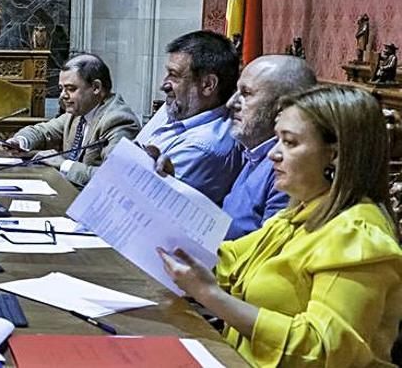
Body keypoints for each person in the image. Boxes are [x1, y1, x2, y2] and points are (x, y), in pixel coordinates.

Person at [159, 86, 402, 367]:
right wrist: (166, 193)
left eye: (289, 142)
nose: (273, 154)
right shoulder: (299, 213)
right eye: (277, 140)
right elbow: (224, 260)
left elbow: (325, 350)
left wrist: (210, 296)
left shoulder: (356, 234)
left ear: (334, 155)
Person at [134, 30, 243, 204]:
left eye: (174, 75)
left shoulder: (204, 145)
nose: (164, 84)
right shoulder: (179, 106)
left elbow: (138, 200)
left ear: (207, 85)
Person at [219, 55, 317, 239]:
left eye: (246, 93)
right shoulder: (254, 150)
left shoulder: (288, 167)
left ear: (283, 106)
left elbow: (265, 255)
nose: (231, 103)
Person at [6, 53, 140, 186]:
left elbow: (116, 177)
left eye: (71, 89)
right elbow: (42, 131)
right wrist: (21, 141)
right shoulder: (78, 112)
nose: (63, 95)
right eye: (61, 89)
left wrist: (64, 164)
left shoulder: (118, 121)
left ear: (96, 88)